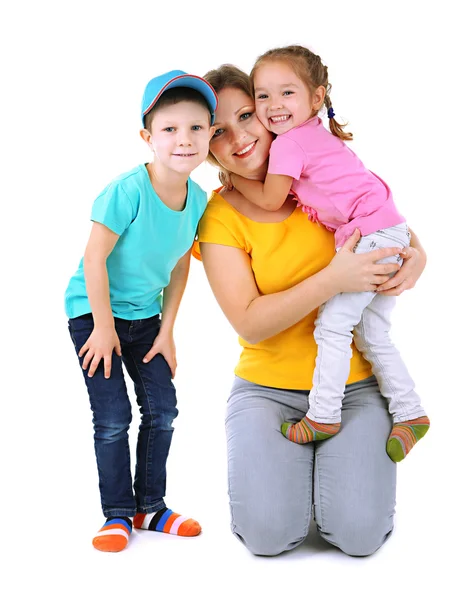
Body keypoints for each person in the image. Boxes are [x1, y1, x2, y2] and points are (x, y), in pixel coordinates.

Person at [195, 64, 427, 557]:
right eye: (218, 130)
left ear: (267, 111)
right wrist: (333, 280)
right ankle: (298, 470)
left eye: (245, 115)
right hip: (268, 392)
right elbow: (249, 322)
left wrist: (419, 253)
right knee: (268, 536)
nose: (238, 137)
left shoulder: (312, 176)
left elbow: (382, 214)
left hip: (356, 388)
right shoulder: (220, 216)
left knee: (361, 535)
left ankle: (340, 456)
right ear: (205, 144)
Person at [228, 45, 429, 461]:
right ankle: (410, 412)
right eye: (262, 96)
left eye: (287, 93)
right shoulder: (314, 133)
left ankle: (322, 414)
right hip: (386, 228)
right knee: (372, 331)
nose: (273, 105)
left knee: (332, 326)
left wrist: (231, 177)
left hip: (372, 235)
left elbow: (269, 200)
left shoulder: (288, 144)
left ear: (316, 98)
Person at [64, 70, 217, 552]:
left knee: (163, 410)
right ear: (148, 137)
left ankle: (150, 507)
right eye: (170, 129)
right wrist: (104, 328)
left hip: (145, 319)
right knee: (113, 418)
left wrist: (167, 331)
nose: (184, 139)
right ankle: (117, 515)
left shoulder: (199, 201)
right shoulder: (127, 191)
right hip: (95, 313)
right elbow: (94, 258)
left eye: (196, 128)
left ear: (211, 134)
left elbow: (178, 270)